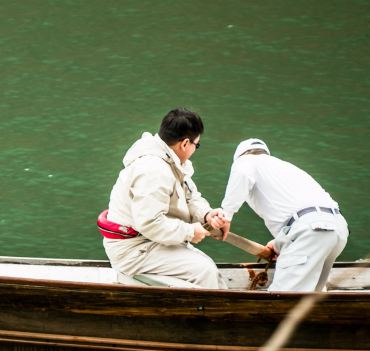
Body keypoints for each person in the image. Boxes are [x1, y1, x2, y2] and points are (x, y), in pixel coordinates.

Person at [98, 108, 229, 288]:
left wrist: (207, 215)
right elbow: (150, 222)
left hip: (149, 240)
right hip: (133, 249)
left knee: (206, 267)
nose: (194, 150)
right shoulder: (153, 171)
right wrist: (190, 232)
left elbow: (190, 197)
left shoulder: (170, 160)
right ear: (184, 144)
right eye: (196, 145)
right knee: (205, 271)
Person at [220, 138, 348, 291]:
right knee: (313, 298)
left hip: (313, 231)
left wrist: (225, 216)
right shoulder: (286, 168)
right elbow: (305, 211)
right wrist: (279, 243)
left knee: (282, 298)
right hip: (337, 229)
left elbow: (242, 172)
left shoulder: (245, 161)